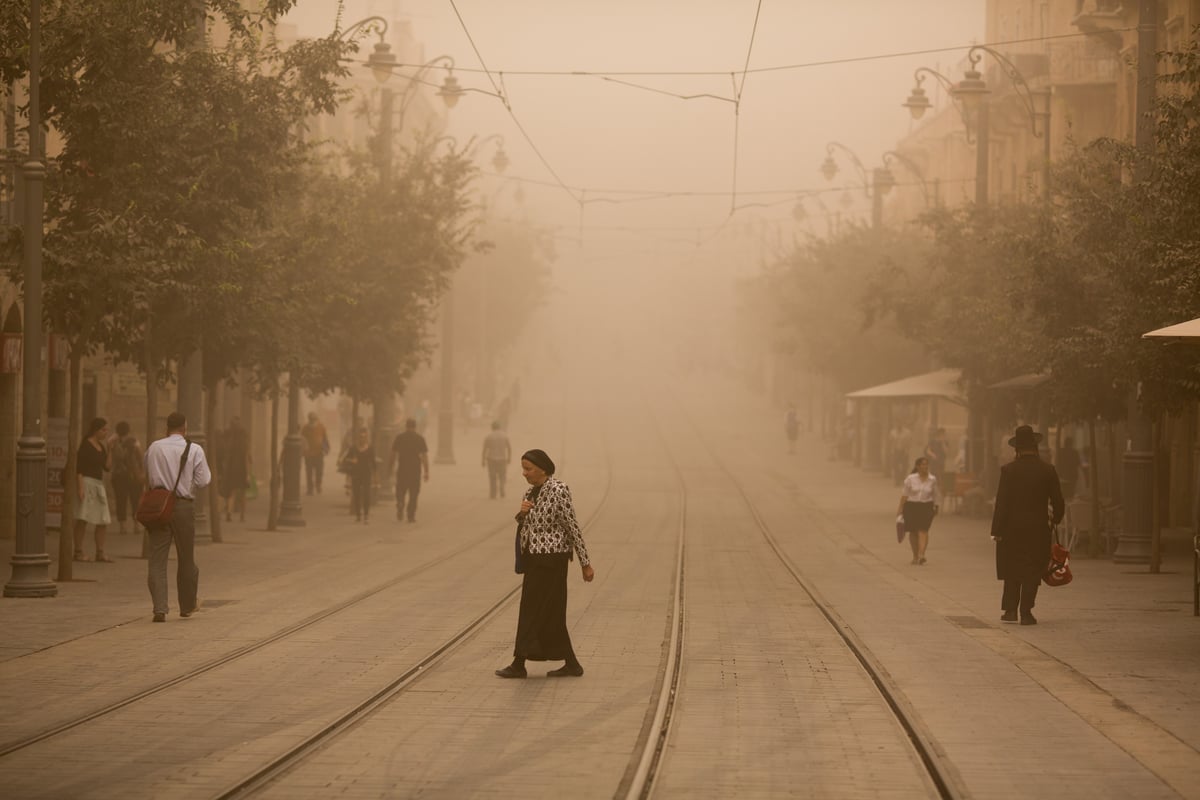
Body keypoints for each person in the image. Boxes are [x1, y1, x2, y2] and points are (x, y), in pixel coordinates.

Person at [495, 449, 594, 679]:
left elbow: (572, 525)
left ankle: (519, 664)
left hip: (552, 560)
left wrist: (585, 563)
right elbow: (526, 524)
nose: (524, 473)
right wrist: (521, 513)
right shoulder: (530, 492)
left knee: (533, 610)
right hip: (534, 559)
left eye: (528, 469)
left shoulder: (558, 490)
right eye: (523, 468)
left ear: (542, 468)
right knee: (550, 612)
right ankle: (571, 663)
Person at [991, 425, 1065, 626]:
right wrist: (1055, 519)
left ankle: (1009, 610)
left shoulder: (1008, 470)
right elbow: (1058, 501)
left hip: (1011, 529)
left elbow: (1002, 503)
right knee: (1033, 568)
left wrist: (996, 530)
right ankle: (1026, 612)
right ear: (1036, 446)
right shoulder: (1047, 470)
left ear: (1017, 449)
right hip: (1038, 528)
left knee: (1012, 567)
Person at [144, 412, 211, 622]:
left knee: (156, 560)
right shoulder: (194, 449)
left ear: (167, 427)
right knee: (186, 557)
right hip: (182, 506)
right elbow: (203, 480)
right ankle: (187, 605)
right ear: (185, 427)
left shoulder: (154, 447)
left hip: (158, 507)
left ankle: (160, 609)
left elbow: (147, 471)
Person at [74, 417, 113, 562]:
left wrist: (110, 450)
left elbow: (107, 467)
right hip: (86, 482)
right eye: (103, 430)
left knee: (103, 520)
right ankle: (78, 551)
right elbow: (79, 468)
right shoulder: (85, 445)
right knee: (82, 518)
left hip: (98, 484)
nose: (105, 432)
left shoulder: (101, 447)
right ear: (96, 430)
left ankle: (100, 552)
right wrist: (80, 487)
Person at [897, 455, 940, 566]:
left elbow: (935, 494)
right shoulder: (910, 479)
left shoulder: (932, 479)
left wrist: (936, 506)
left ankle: (921, 554)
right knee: (913, 532)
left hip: (926, 507)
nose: (925, 467)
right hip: (911, 507)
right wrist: (900, 509)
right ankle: (915, 555)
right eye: (923, 465)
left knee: (923, 530)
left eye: (926, 464)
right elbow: (905, 495)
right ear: (918, 466)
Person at [108, 420, 144, 536]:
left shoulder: (113, 442)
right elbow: (140, 457)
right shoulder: (134, 442)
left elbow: (110, 457)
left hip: (119, 476)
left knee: (121, 500)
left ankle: (122, 526)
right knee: (135, 500)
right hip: (133, 475)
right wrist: (142, 473)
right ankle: (136, 525)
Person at [390, 418, 429, 522]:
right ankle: (410, 515)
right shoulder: (420, 439)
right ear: (415, 427)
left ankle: (400, 502)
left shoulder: (399, 438)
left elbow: (393, 454)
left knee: (400, 489)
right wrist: (426, 472)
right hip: (415, 470)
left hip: (402, 468)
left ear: (406, 426)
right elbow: (424, 456)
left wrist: (391, 467)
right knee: (414, 493)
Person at [218, 417, 250, 523]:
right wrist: (248, 473)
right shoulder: (243, 441)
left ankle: (229, 513)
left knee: (231, 492)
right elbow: (246, 457)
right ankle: (242, 516)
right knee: (242, 493)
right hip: (241, 469)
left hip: (230, 469)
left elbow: (225, 455)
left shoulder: (228, 438)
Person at [341, 427, 375, 523]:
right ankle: (358, 515)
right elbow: (344, 459)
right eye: (360, 437)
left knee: (366, 494)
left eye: (364, 437)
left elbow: (373, 463)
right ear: (358, 438)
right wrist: (352, 460)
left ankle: (366, 515)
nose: (362, 439)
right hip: (356, 474)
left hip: (366, 474)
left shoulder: (370, 448)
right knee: (356, 494)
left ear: (367, 438)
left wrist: (375, 476)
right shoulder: (353, 448)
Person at [301, 412, 329, 496]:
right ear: (309, 419)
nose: (312, 421)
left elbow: (325, 439)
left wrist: (326, 449)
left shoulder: (321, 427)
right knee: (309, 472)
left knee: (319, 471)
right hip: (308, 453)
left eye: (314, 419)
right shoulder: (305, 428)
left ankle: (318, 485)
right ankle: (310, 488)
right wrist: (303, 451)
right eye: (311, 419)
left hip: (319, 453)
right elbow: (303, 440)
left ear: (316, 419)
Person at [482, 421, 512, 499]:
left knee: (492, 476)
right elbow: (509, 448)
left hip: (491, 459)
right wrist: (509, 458)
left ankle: (493, 493)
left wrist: (483, 460)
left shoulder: (489, 436)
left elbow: (485, 449)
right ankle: (501, 487)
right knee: (502, 475)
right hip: (502, 459)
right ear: (499, 427)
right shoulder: (504, 436)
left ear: (492, 427)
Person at [1056, 436, 1082, 500]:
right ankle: (1070, 502)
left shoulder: (1060, 451)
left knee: (1064, 490)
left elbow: (1058, 462)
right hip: (1072, 474)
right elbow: (1078, 463)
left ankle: (1065, 503)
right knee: (1071, 490)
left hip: (1063, 474)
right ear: (1071, 444)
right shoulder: (1075, 452)